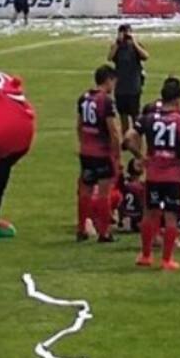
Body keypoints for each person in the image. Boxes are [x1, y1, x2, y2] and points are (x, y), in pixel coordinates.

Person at [126, 77, 180, 271]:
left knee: (149, 214)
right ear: (178, 99)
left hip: (153, 173)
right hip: (173, 174)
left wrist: (140, 156)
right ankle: (167, 259)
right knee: (171, 217)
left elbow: (129, 137)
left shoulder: (148, 117)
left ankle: (146, 255)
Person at [76, 65, 122, 243]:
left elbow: (79, 125)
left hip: (86, 152)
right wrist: (116, 155)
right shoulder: (106, 101)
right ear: (109, 80)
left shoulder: (83, 98)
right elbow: (114, 131)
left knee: (85, 191)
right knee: (104, 193)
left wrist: (83, 144)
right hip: (102, 153)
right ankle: (104, 232)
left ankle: (81, 229)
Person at [109, 24, 149, 133]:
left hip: (134, 87)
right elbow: (110, 57)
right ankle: (126, 140)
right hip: (120, 88)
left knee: (135, 116)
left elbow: (145, 56)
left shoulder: (136, 46)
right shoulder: (116, 47)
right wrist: (118, 42)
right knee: (123, 116)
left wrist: (134, 43)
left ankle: (136, 138)